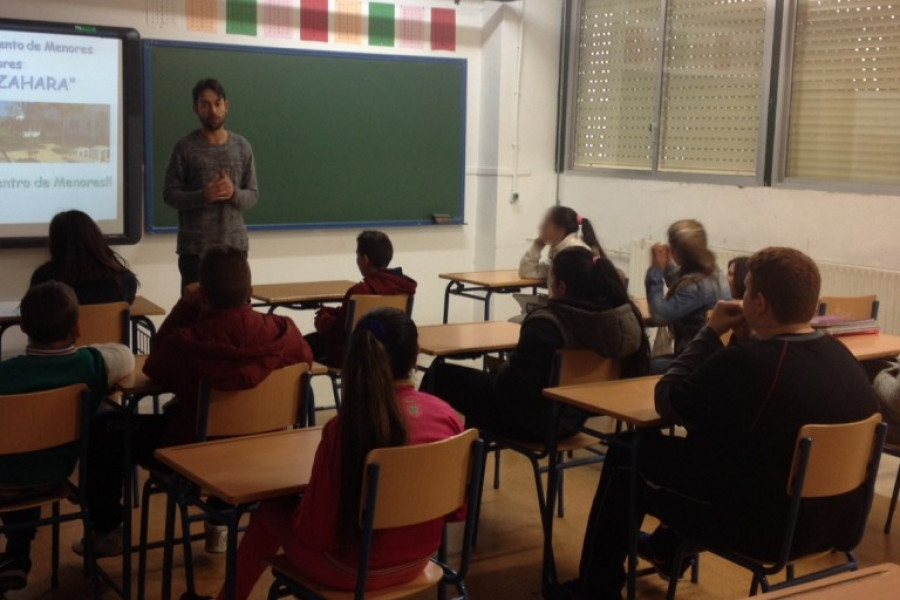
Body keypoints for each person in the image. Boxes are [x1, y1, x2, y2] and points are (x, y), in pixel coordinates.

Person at [551, 248, 880, 600]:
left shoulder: (749, 363)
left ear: (760, 303)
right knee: (715, 446)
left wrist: (710, 332)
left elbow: (668, 396)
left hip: (765, 531)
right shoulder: (846, 361)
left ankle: (594, 590)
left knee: (628, 454)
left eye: (746, 290)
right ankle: (666, 548)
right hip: (836, 526)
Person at [193, 309, 463, 600]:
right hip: (418, 562)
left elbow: (315, 533)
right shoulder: (448, 418)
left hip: (350, 572)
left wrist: (297, 508)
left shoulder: (346, 428)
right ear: (415, 356)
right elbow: (457, 512)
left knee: (271, 510)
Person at [82, 247, 312, 557]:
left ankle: (107, 533)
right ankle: (220, 524)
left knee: (103, 429)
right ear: (251, 292)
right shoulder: (286, 333)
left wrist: (185, 306)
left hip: (195, 457)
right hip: (264, 458)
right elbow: (306, 361)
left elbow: (154, 366)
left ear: (202, 293)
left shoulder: (188, 341)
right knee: (229, 431)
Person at [424, 247, 649, 442]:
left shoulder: (547, 324)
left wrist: (504, 366)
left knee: (439, 374)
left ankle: (428, 456)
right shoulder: (624, 320)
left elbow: (511, 389)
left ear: (560, 286)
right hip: (577, 418)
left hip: (530, 423)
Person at [0, 282, 134, 593]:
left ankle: (17, 556)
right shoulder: (90, 366)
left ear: (23, 327)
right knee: (33, 465)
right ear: (77, 327)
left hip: (4, 482)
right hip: (55, 477)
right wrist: (88, 348)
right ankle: (16, 557)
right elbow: (125, 355)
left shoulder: (6, 374)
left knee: (18, 467)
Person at [164, 78, 259, 293]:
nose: (212, 110)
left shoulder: (242, 146)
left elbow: (252, 194)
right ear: (195, 108)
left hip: (234, 250)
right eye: (205, 104)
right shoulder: (185, 147)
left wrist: (233, 193)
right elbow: (169, 195)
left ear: (227, 105)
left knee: (235, 316)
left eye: (217, 103)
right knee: (195, 317)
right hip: (195, 251)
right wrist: (203, 196)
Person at [308, 230, 417, 367]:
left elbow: (337, 333)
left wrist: (322, 319)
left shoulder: (359, 292)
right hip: (389, 354)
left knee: (302, 347)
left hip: (353, 355)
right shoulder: (403, 289)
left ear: (364, 260)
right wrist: (335, 313)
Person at [646, 219, 729, 371]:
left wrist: (656, 270)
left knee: (640, 366)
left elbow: (659, 316)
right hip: (711, 355)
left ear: (677, 251)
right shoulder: (714, 272)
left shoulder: (697, 287)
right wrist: (668, 265)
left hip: (696, 363)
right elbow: (682, 286)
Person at [30, 210, 139, 304]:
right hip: (104, 329)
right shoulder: (123, 280)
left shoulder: (43, 280)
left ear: (55, 243)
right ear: (95, 238)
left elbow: (33, 313)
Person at [519, 206, 606, 281]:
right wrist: (538, 244)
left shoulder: (575, 254)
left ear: (561, 230)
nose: (541, 226)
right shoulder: (561, 251)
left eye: (546, 224)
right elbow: (527, 272)